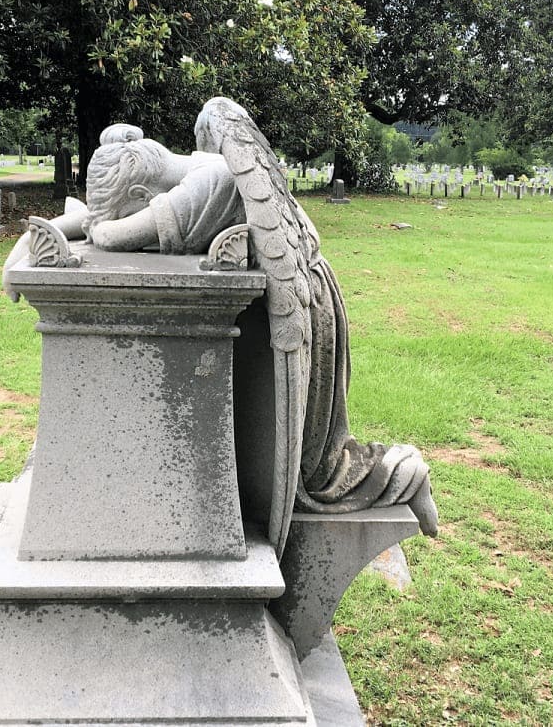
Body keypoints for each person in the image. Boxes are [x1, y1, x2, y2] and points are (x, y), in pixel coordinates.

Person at [83, 134, 438, 538]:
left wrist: (84, 226)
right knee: (292, 453)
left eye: (133, 206)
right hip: (290, 302)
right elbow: (104, 225)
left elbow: (113, 235)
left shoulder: (211, 181)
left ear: (141, 192)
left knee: (312, 468)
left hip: (303, 309)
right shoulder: (204, 163)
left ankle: (406, 474)